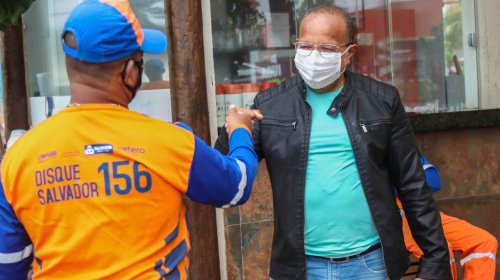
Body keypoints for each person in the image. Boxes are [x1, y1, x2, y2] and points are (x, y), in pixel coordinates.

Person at [0, 0, 262, 279]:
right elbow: (236, 185)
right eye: (140, 61)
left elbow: (9, 264)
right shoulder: (171, 141)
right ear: (129, 71)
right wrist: (240, 129)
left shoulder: (19, 158)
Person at [215, 4, 451, 280]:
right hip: (299, 268)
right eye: (305, 46)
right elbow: (226, 176)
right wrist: (232, 130)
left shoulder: (382, 102)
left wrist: (435, 263)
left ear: (349, 53)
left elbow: (413, 184)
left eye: (326, 49)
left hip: (371, 264)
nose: (313, 57)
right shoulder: (270, 105)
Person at [399, 155, 498, 280]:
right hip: (396, 218)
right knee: (441, 250)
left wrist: (400, 183)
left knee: (484, 241)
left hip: (424, 211)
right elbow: (381, 188)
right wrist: (411, 181)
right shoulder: (373, 145)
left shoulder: (404, 142)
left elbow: (434, 180)